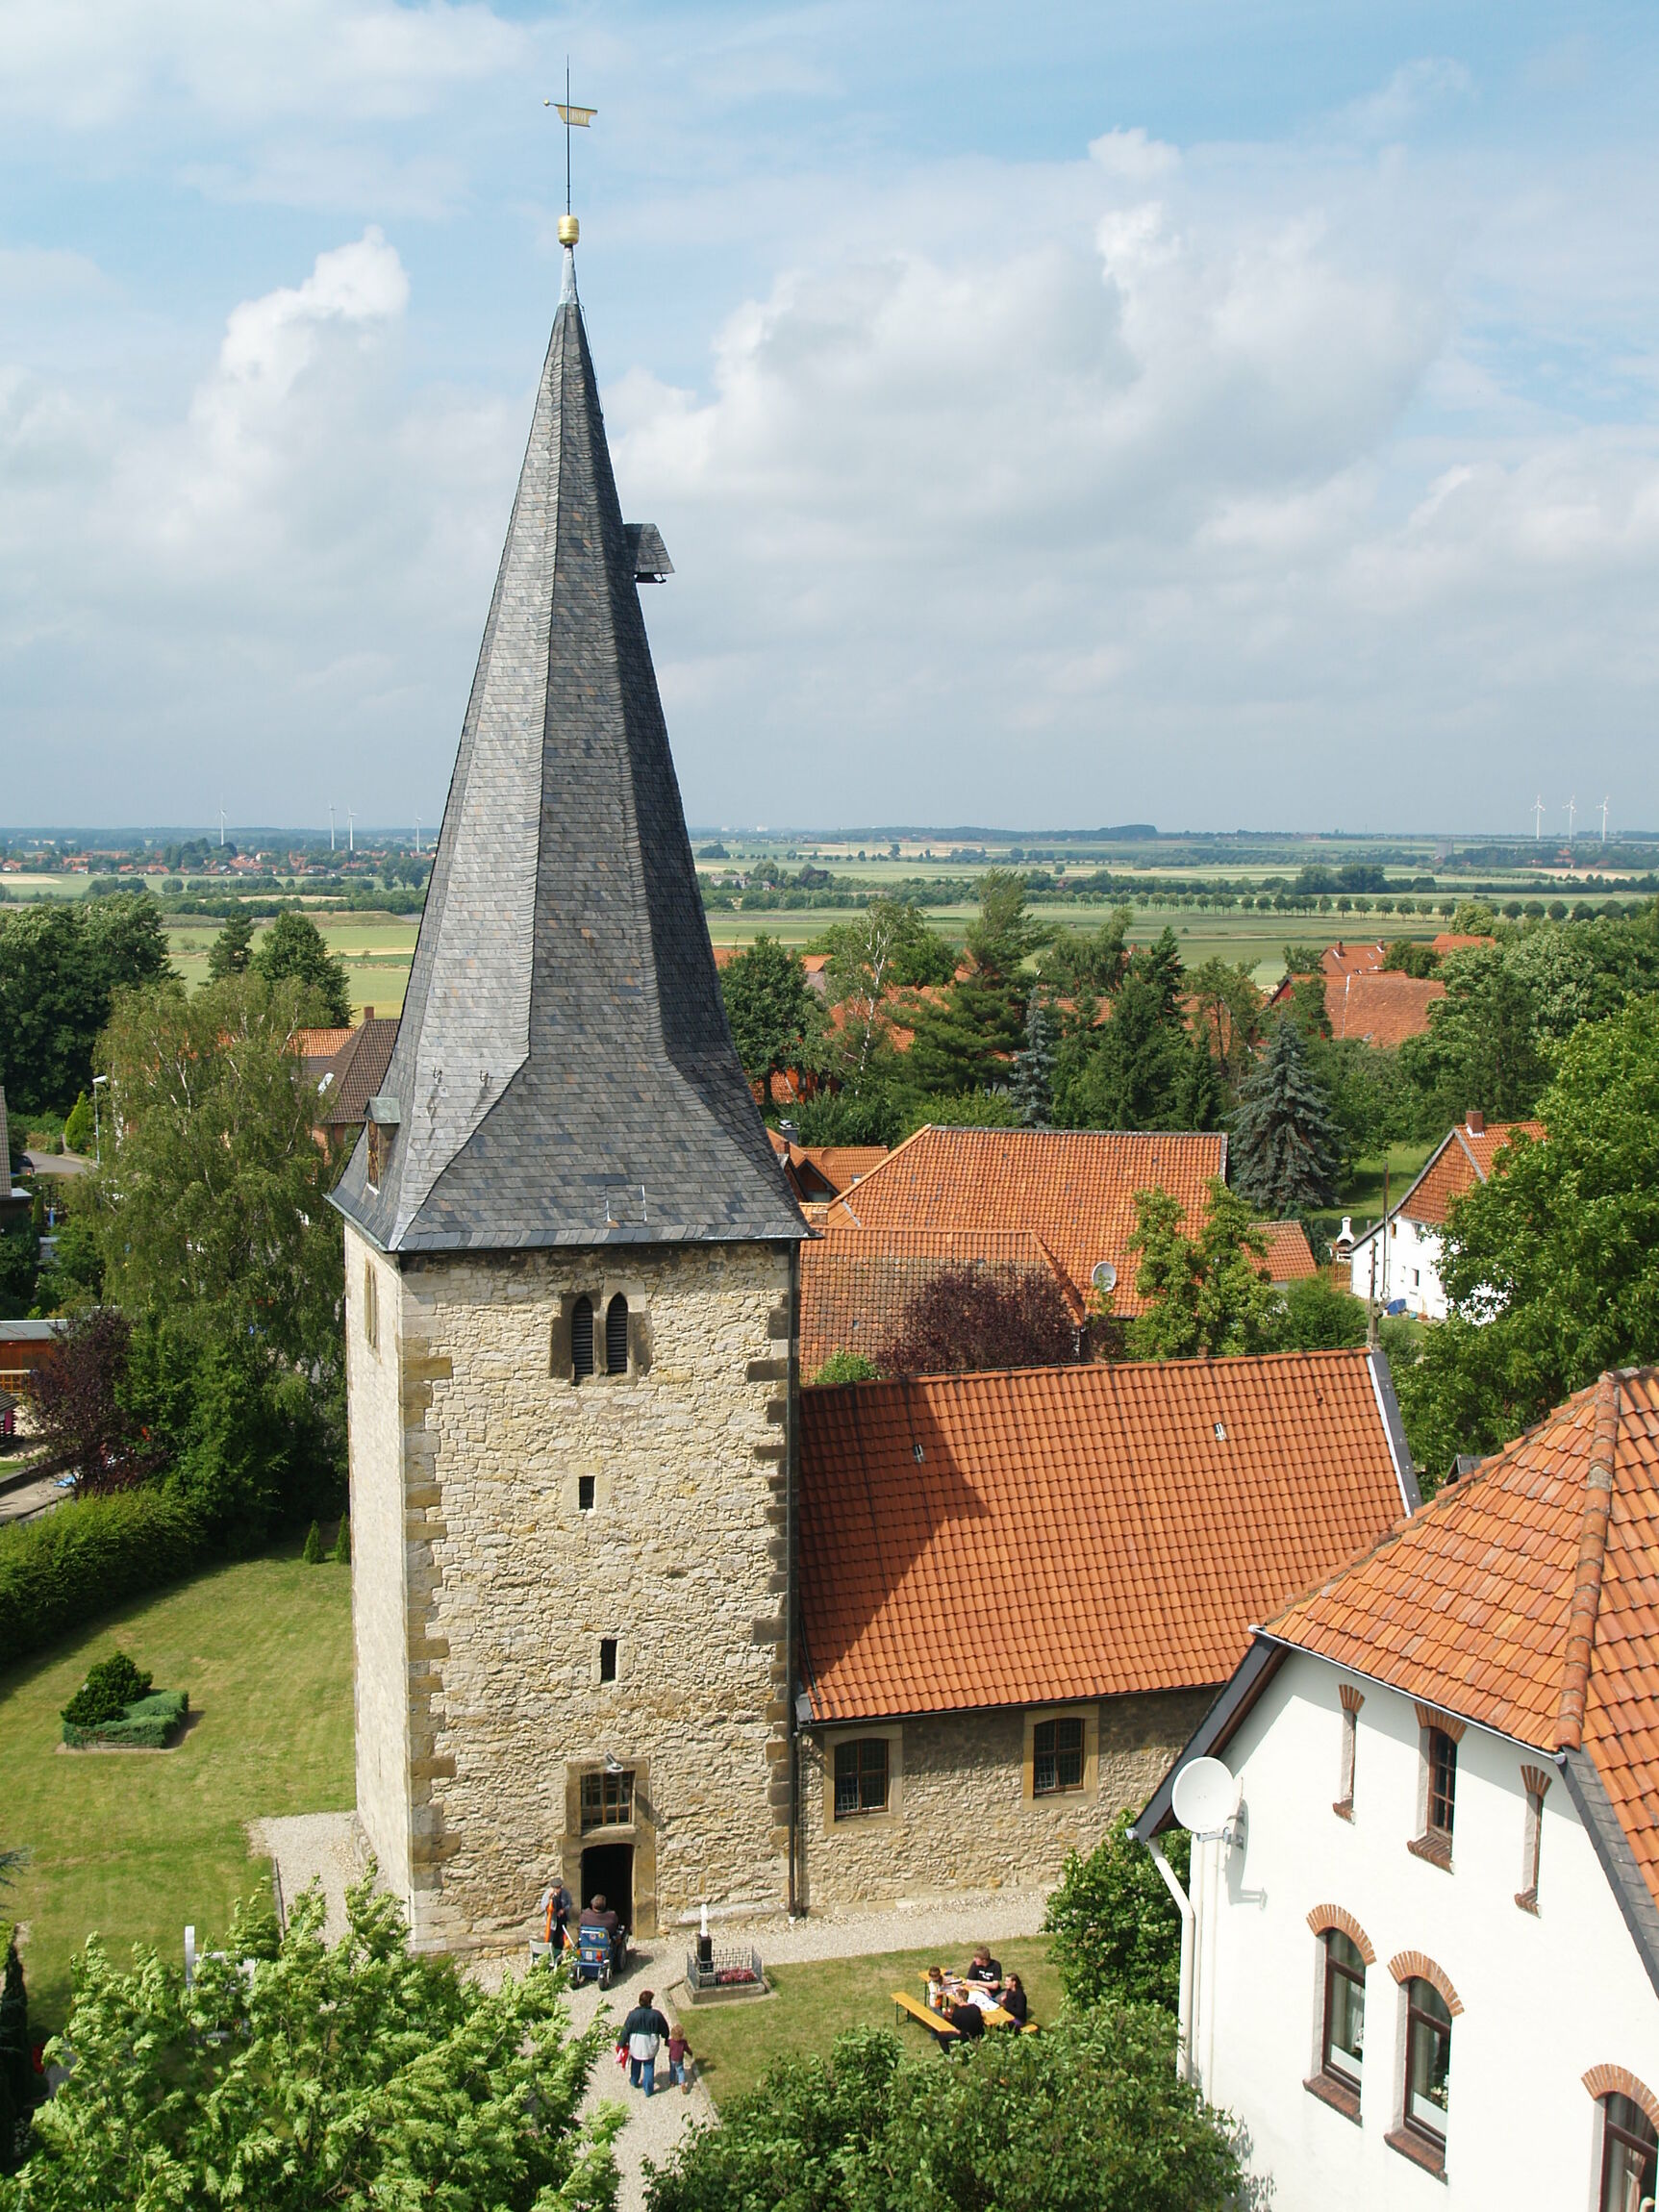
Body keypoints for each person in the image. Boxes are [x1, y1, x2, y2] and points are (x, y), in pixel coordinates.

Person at [619, 1990, 672, 2096]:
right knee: (649, 2066)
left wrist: (621, 2043)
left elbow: (626, 2030)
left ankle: (634, 2081)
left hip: (636, 2044)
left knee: (636, 2063)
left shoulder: (633, 2015)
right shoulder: (656, 2015)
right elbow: (664, 2028)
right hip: (649, 2044)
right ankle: (648, 2090)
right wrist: (666, 2038)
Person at [579, 1891, 623, 1972]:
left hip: (587, 1944)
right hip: (605, 1944)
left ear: (592, 1905)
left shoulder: (585, 1915)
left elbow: (581, 1923)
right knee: (619, 1934)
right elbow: (615, 1926)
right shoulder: (611, 1916)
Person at [541, 1880, 574, 1953]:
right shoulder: (548, 1894)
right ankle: (549, 1955)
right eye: (556, 1888)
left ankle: (559, 1954)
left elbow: (569, 1903)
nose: (558, 1890)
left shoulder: (565, 1893)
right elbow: (543, 1907)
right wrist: (549, 1899)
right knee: (551, 1939)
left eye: (559, 1888)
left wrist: (563, 1910)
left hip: (562, 1919)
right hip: (552, 1921)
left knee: (561, 1940)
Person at [666, 2021, 692, 2092]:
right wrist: (690, 2053)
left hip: (672, 2058)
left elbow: (666, 2043)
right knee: (680, 2071)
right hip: (679, 2059)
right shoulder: (683, 2042)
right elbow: (687, 2049)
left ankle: (672, 2082)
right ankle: (682, 2083)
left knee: (672, 2069)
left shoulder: (671, 2042)